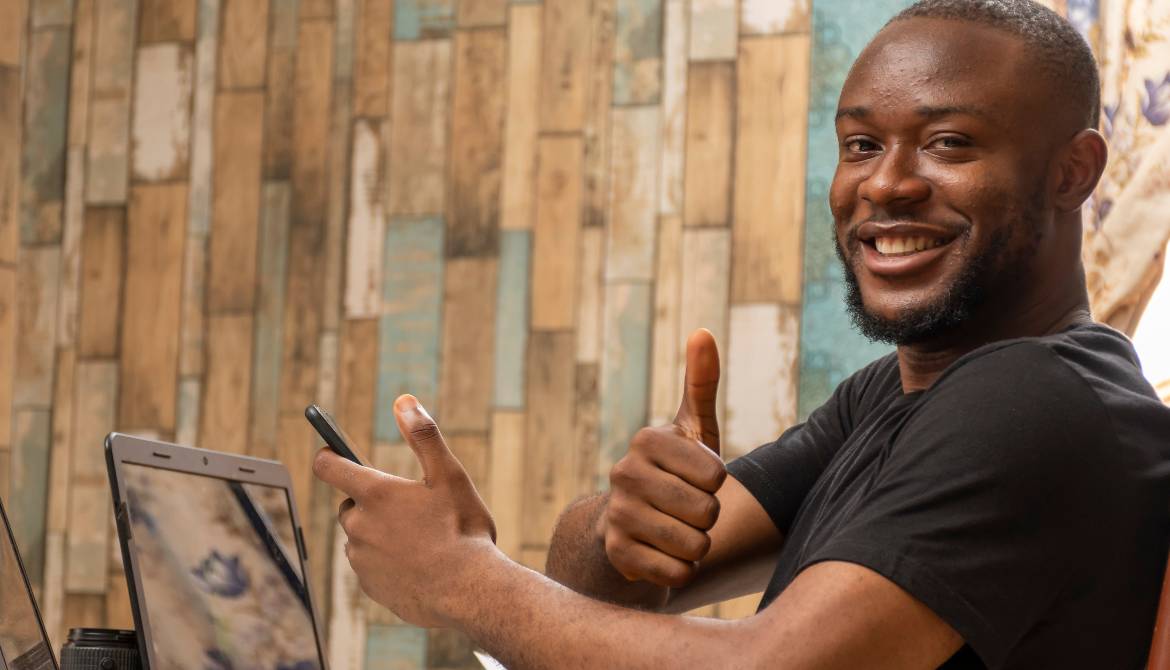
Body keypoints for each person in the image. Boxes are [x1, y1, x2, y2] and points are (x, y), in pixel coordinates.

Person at [313, 1, 1170, 667]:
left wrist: (463, 581)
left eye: (947, 143)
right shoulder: (895, 394)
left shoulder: (1037, 398)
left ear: (1073, 172)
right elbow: (596, 598)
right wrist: (624, 519)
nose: (887, 185)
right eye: (862, 144)